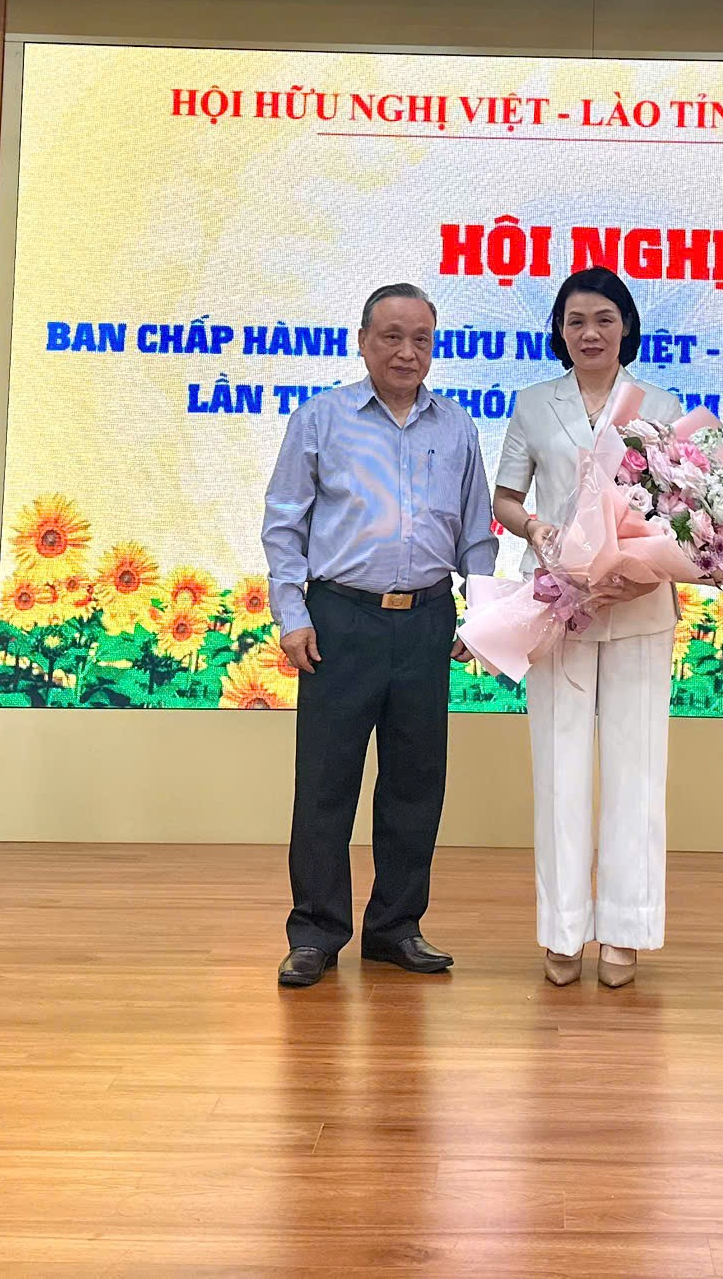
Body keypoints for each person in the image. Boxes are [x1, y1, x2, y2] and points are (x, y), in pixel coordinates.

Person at [262, 282, 497, 989]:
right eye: (391, 336)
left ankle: (396, 928)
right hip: (341, 620)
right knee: (325, 784)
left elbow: (477, 532)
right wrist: (292, 614)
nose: (406, 352)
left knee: (415, 785)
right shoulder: (320, 419)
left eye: (421, 338)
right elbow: (284, 524)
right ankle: (315, 933)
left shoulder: (457, 427)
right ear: (362, 341)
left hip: (426, 620)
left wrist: (482, 613)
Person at [492, 267, 683, 989]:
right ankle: (563, 931)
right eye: (576, 321)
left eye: (604, 319)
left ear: (626, 325)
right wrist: (537, 529)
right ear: (559, 331)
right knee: (559, 767)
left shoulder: (660, 404)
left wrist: (643, 565)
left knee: (637, 767)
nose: (590, 333)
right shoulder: (533, 404)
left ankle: (625, 930)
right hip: (558, 601)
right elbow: (507, 497)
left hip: (638, 603)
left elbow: (683, 506)